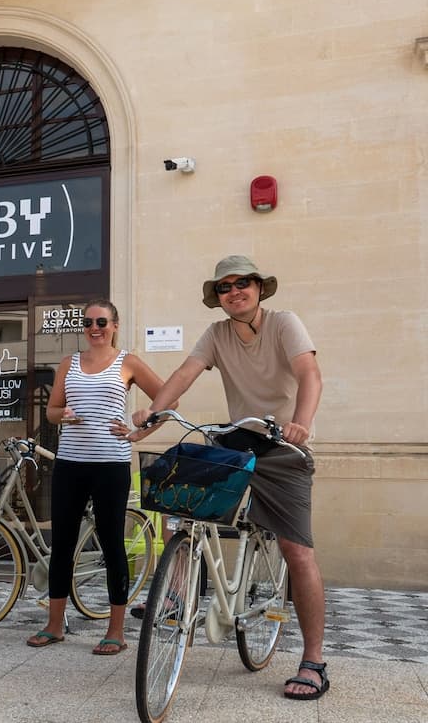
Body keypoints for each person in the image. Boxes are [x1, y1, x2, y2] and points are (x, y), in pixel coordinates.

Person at [131, 254, 327, 701]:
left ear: (259, 288)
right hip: (238, 438)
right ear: (217, 296)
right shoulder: (217, 334)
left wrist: (301, 423)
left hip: (284, 446)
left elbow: (309, 373)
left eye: (243, 283)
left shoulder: (284, 323)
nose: (234, 291)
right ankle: (176, 594)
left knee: (298, 551)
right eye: (225, 287)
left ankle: (314, 661)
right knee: (176, 498)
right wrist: (154, 415)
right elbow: (184, 374)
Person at [26, 298, 166, 655]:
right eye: (88, 322)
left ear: (115, 325)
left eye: (101, 322)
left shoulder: (128, 362)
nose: (94, 328)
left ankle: (115, 631)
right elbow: (52, 411)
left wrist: (139, 432)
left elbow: (168, 401)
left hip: (111, 466)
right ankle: (54, 625)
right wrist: (63, 415)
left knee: (111, 544)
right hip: (70, 464)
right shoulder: (68, 363)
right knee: (62, 545)